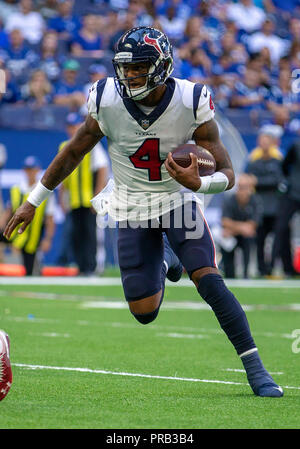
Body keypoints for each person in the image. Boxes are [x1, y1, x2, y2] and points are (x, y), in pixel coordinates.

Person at [3, 27, 283, 397]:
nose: (129, 75)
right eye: (125, 68)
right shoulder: (106, 98)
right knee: (144, 311)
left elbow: (228, 173)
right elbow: (73, 152)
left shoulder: (191, 98)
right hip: (131, 204)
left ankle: (257, 370)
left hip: (177, 201)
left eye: (138, 68)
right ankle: (167, 259)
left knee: (210, 281)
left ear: (161, 67)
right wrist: (32, 201)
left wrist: (200, 184)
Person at [58, 112, 109, 275]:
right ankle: (81, 266)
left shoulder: (91, 145)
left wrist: (97, 195)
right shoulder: (64, 146)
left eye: (74, 126)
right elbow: (61, 174)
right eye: (70, 127)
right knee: (75, 234)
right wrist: (61, 198)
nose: (72, 130)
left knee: (89, 233)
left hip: (88, 199)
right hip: (73, 199)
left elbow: (102, 168)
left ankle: (90, 267)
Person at [1, 156, 55, 275]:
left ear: (37, 170)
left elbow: (50, 218)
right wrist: (3, 228)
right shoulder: (16, 189)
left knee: (29, 272)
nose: (29, 172)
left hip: (32, 238)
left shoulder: (44, 193)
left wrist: (48, 239)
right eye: (27, 169)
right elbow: (8, 211)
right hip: (14, 234)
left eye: (32, 169)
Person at [246, 125, 284, 276]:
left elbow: (278, 181)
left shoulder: (277, 160)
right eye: (262, 141)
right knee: (259, 240)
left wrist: (258, 182)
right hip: (260, 207)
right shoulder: (254, 161)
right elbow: (249, 179)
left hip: (275, 206)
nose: (264, 144)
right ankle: (262, 269)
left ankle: (273, 266)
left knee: (278, 239)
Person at [220, 173, 262, 279]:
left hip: (243, 236)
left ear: (250, 188)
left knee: (249, 238)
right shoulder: (230, 200)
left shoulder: (255, 200)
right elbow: (224, 221)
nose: (241, 190)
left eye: (244, 187)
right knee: (225, 239)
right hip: (232, 235)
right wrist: (243, 228)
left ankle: (246, 274)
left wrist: (233, 228)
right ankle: (229, 274)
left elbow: (253, 225)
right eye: (239, 187)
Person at [273, 139, 300, 277]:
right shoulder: (295, 145)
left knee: (282, 228)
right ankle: (283, 267)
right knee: (282, 228)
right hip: (293, 193)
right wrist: (289, 182)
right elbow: (284, 166)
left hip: (294, 191)